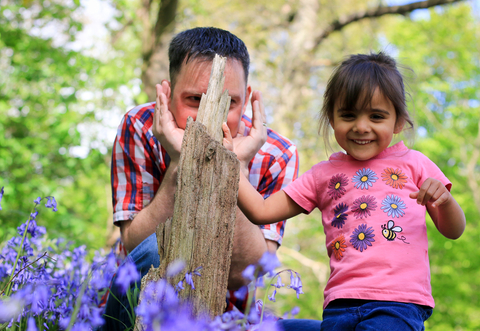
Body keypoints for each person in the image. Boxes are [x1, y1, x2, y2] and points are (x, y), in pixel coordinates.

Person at [104, 27, 322, 331]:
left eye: (228, 102)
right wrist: (182, 164)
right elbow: (137, 248)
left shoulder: (277, 154)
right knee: (159, 250)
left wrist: (234, 171)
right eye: (195, 99)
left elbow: (254, 270)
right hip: (136, 312)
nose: (211, 114)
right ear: (167, 93)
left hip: (226, 320)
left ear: (246, 100)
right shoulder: (140, 127)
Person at [230, 52, 466, 331]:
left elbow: (454, 230)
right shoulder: (322, 175)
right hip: (339, 304)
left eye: (377, 116)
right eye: (348, 115)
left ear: (399, 122)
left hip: (397, 304)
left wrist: (445, 200)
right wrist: (233, 164)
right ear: (332, 118)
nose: (361, 126)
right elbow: (262, 211)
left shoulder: (415, 164)